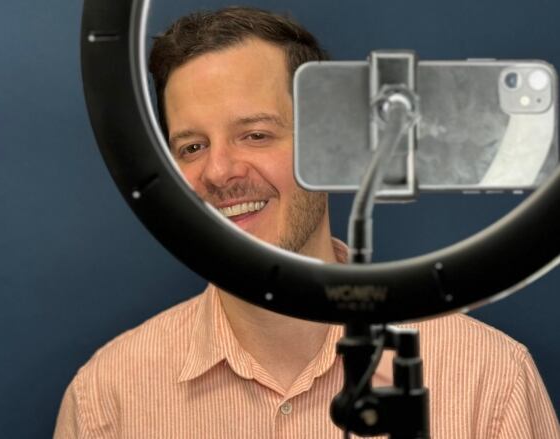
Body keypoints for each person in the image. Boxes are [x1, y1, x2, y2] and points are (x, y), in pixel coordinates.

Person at [55, 6, 559, 438]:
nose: (220, 171)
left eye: (255, 135)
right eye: (191, 147)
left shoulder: (487, 378)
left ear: (328, 147)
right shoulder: (109, 398)